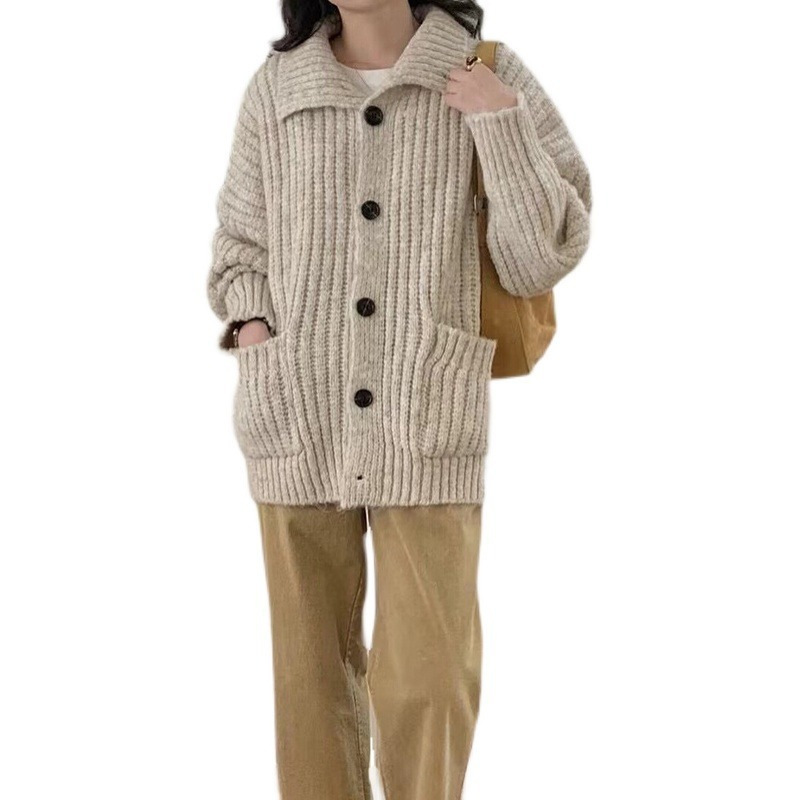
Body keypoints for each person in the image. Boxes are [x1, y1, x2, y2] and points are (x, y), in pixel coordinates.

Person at [206, 1, 591, 797]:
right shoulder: (278, 87)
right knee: (310, 682)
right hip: (298, 410)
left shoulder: (486, 72)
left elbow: (538, 259)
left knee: (432, 677)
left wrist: (499, 122)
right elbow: (240, 248)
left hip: (427, 413)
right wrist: (254, 327)